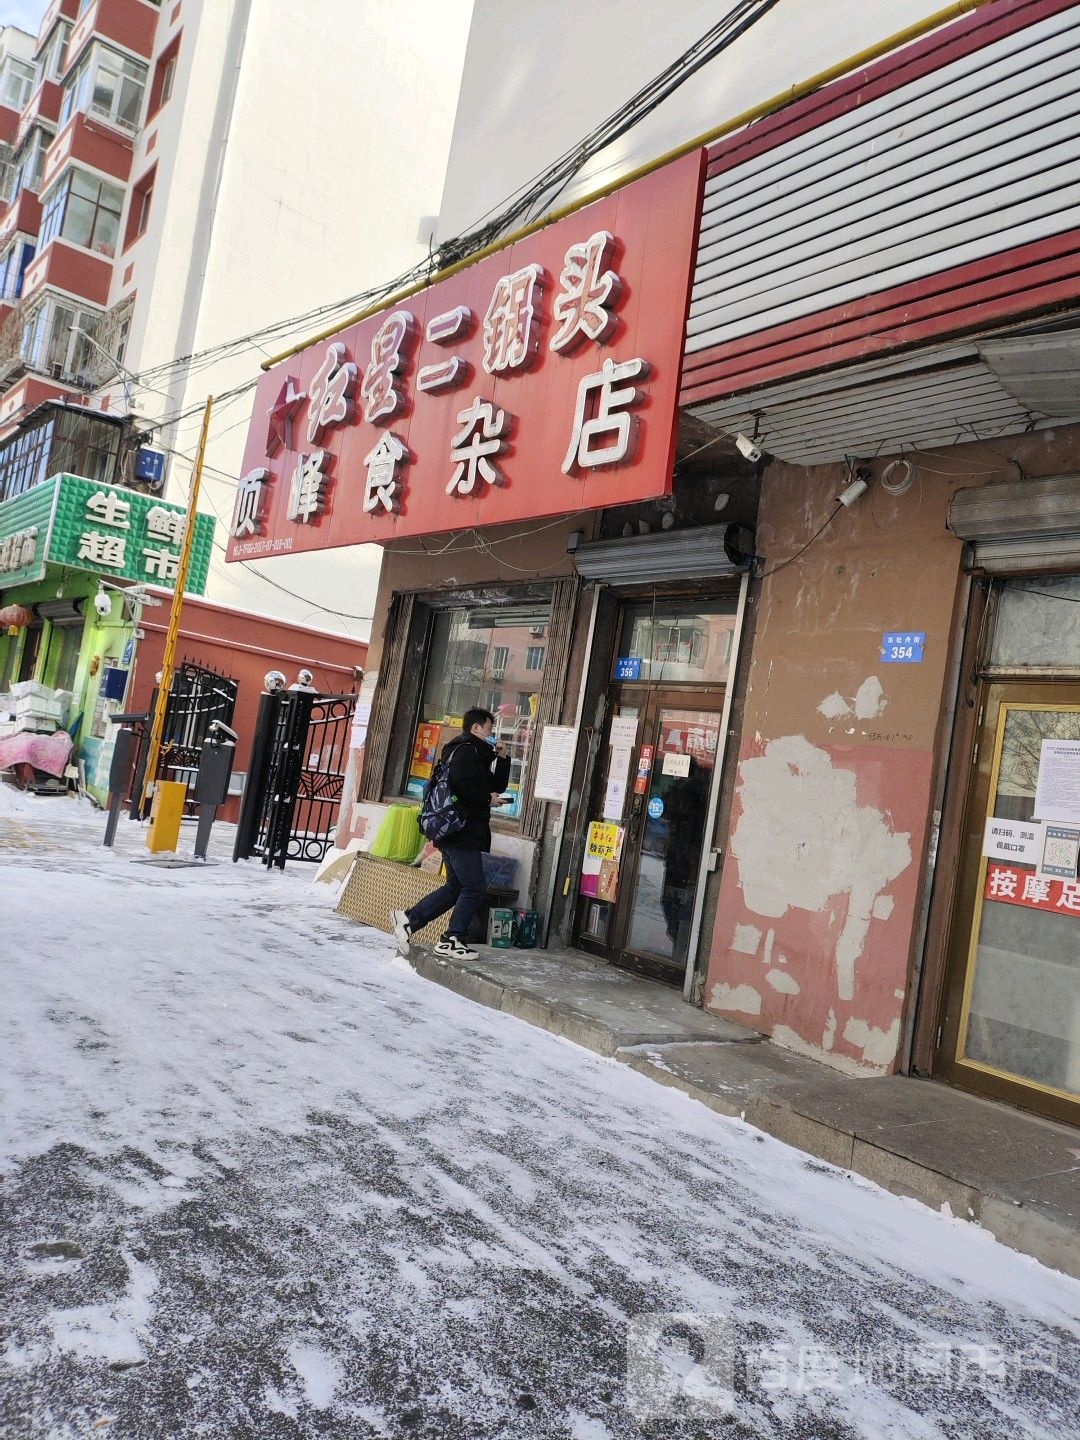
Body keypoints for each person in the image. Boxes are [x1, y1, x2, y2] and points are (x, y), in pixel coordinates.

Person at [392, 708, 511, 961]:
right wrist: (485, 800)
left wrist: (503, 759)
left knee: (457, 886)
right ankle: (452, 939)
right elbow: (461, 785)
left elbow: (495, 786)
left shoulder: (476, 753)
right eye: (490, 729)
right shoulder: (466, 750)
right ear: (476, 728)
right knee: (475, 887)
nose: (492, 734)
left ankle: (409, 920)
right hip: (460, 829)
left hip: (457, 830)